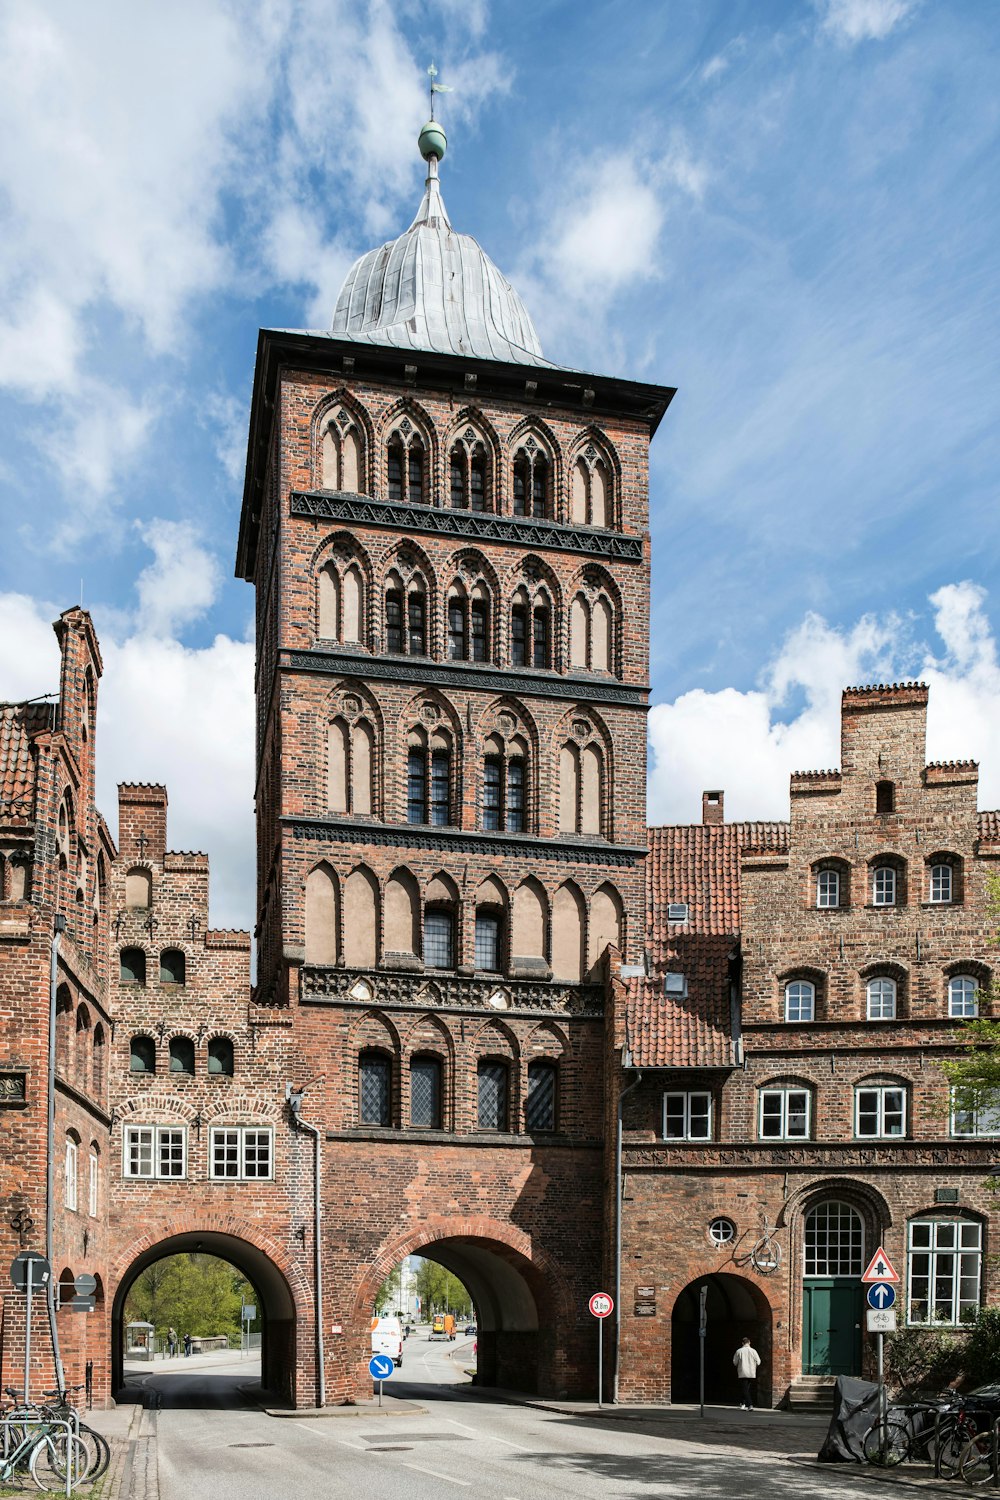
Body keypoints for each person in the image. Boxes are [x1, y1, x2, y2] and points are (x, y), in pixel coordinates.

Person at [733, 1336, 761, 1410]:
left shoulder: (739, 1351)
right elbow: (758, 1361)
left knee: (745, 1389)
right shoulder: (753, 1351)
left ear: (742, 1343)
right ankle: (743, 1403)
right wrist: (754, 1366)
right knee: (747, 1388)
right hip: (751, 1372)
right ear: (749, 1343)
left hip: (743, 1372)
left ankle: (750, 1404)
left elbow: (735, 1362)